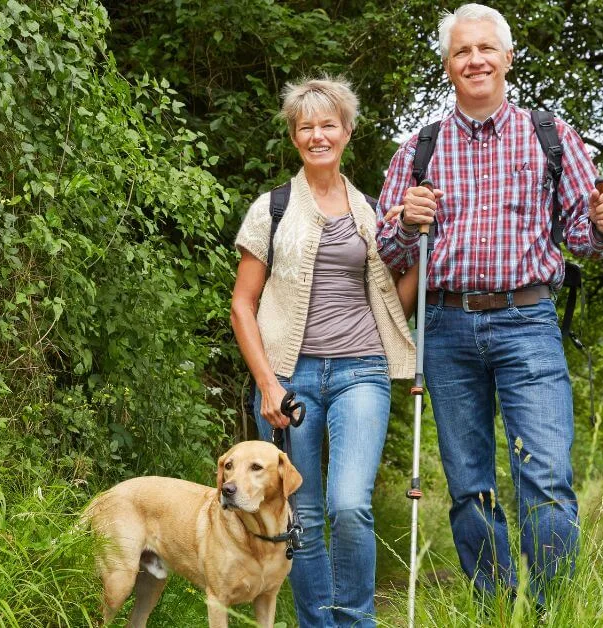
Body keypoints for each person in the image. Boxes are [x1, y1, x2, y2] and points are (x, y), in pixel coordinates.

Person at [376, 3, 603, 601]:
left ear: (507, 57)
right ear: (447, 66)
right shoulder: (419, 148)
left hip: (529, 320)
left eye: (485, 48)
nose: (475, 59)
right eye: (462, 51)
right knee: (468, 484)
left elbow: (588, 241)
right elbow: (385, 252)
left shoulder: (551, 136)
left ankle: (551, 610)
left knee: (544, 476)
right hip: (444, 324)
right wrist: (409, 226)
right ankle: (494, 607)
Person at [231, 76, 416, 627]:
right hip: (290, 377)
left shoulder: (372, 212)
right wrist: (268, 384)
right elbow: (243, 305)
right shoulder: (273, 209)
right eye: (305, 126)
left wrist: (425, 255)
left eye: (327, 124)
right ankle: (316, 622)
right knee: (300, 512)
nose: (317, 135)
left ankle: (356, 622)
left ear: (347, 131)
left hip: (362, 370)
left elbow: (392, 305)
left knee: (349, 505)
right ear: (294, 137)